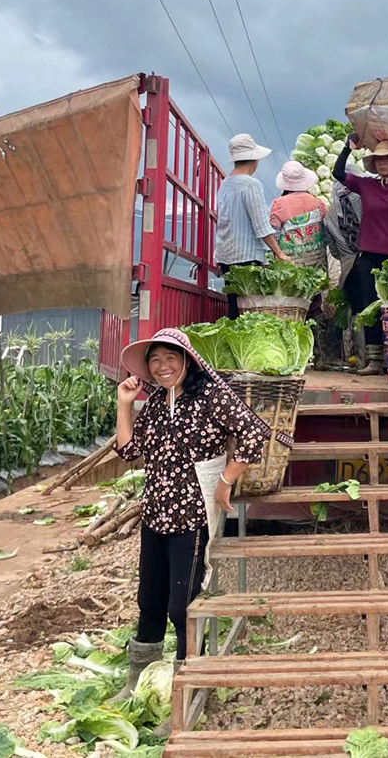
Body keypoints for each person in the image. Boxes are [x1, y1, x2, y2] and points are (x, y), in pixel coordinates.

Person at [113, 328, 271, 731]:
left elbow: (255, 432)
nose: (162, 366)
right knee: (149, 599)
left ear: (187, 360)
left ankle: (186, 692)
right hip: (156, 514)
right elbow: (130, 450)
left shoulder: (211, 396)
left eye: (170, 358)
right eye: (155, 360)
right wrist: (124, 404)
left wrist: (227, 479)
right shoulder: (156, 402)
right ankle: (136, 680)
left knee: (182, 605)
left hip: (192, 514)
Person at [334, 136, 388, 376]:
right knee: (370, 307)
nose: (382, 163)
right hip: (369, 256)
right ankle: (374, 360)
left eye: (387, 158)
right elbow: (338, 173)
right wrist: (347, 148)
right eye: (378, 159)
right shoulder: (366, 185)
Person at [214, 134, 291, 318]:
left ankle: (231, 335)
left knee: (234, 305)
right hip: (246, 256)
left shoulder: (225, 184)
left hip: (226, 255)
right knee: (249, 309)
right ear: (254, 159)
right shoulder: (251, 184)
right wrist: (279, 252)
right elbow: (261, 225)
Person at [269, 160, 327, 269]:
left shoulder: (279, 204)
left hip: (290, 262)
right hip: (316, 259)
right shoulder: (317, 202)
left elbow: (274, 233)